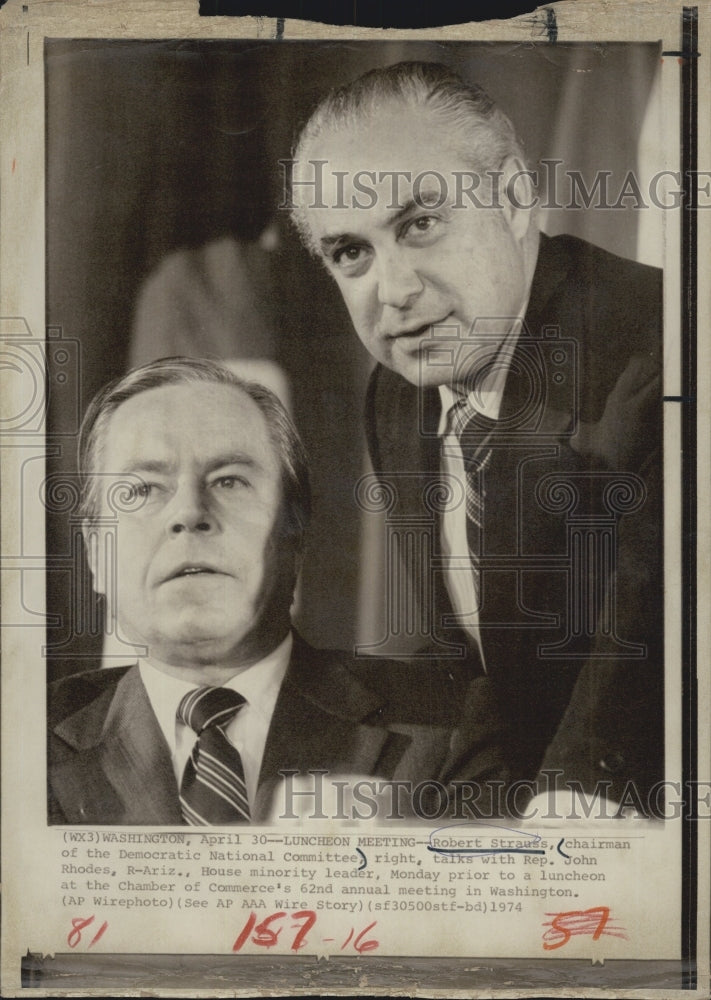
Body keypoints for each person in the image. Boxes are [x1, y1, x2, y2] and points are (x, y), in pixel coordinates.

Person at [289, 61, 664, 810]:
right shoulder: (398, 396)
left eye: (421, 224)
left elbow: (638, 671)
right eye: (350, 252)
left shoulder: (665, 353)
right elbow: (475, 682)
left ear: (515, 195)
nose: (393, 291)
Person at [47, 357, 508, 825]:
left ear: (297, 535)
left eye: (229, 480)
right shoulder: (23, 742)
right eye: (142, 489)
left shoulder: (448, 728)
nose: (188, 512)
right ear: (95, 555)